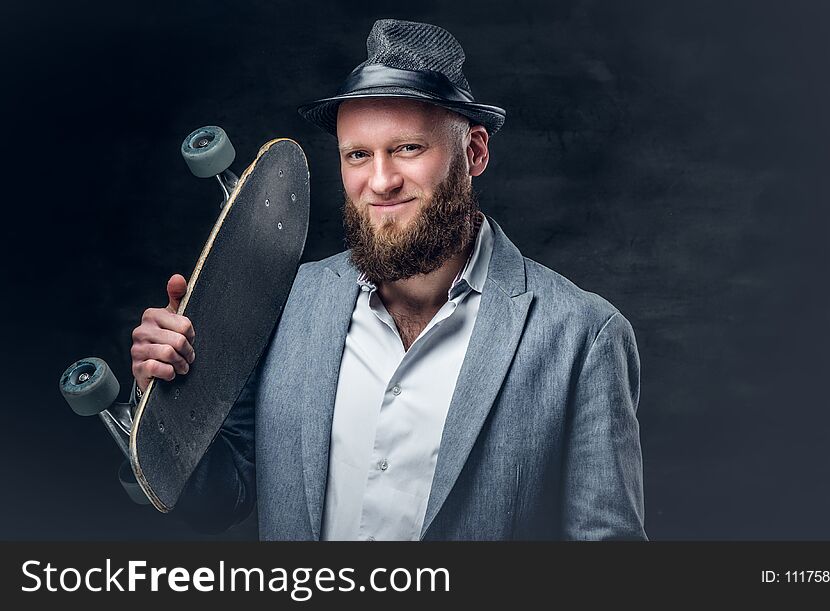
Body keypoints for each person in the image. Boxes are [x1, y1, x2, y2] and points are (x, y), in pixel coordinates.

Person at [129, 19, 646, 540]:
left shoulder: (584, 336)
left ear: (475, 152)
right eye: (358, 155)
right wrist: (165, 413)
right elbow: (220, 497)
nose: (381, 181)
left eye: (408, 149)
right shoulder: (284, 303)